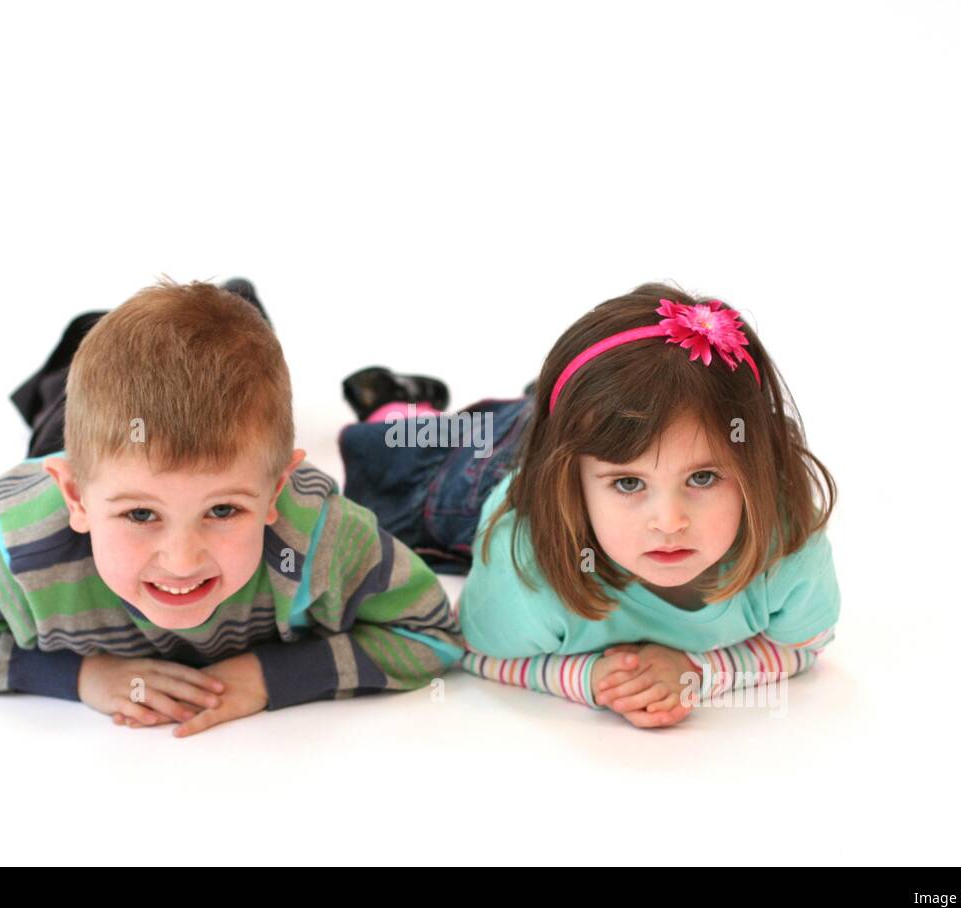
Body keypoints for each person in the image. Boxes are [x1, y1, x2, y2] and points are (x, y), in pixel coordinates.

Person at [0, 278, 464, 737]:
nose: (182, 560)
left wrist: (269, 678)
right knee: (66, 386)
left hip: (150, 446)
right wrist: (84, 676)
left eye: (223, 511)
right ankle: (111, 335)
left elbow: (430, 633)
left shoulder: (317, 538)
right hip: (68, 426)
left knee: (229, 366)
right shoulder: (21, 557)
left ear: (276, 490)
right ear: (74, 497)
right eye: (140, 515)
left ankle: (237, 304)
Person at [337, 282, 840, 729]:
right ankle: (398, 407)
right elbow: (465, 647)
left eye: (703, 477)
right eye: (628, 484)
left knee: (565, 424)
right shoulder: (527, 562)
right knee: (402, 463)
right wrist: (590, 679)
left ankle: (557, 418)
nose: (669, 522)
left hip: (581, 439)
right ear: (569, 484)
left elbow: (807, 644)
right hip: (481, 476)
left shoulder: (786, 541)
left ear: (756, 464)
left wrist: (696, 672)